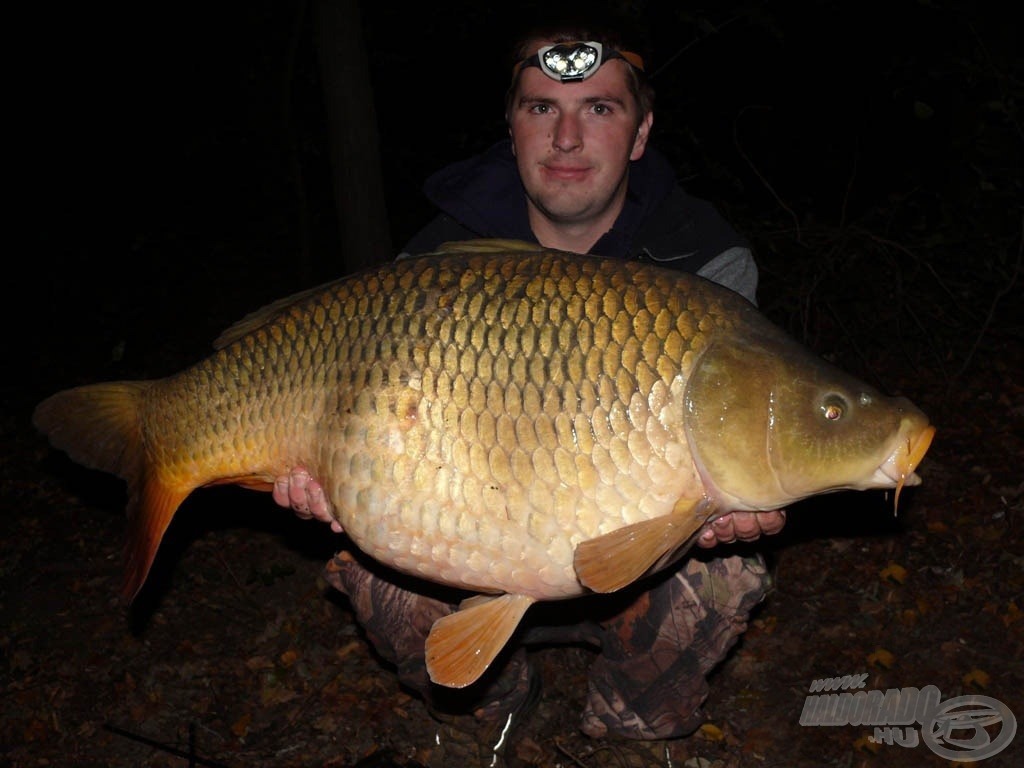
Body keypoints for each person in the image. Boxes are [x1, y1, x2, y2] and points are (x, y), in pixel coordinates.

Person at [274, 15, 785, 759]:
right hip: (466, 539)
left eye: (599, 109)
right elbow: (364, 410)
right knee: (365, 564)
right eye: (542, 108)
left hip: (643, 565)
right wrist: (328, 473)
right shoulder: (436, 260)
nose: (567, 139)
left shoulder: (705, 263)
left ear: (640, 134)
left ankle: (633, 723)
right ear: (511, 129)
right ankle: (495, 706)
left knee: (729, 564)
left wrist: (736, 496)